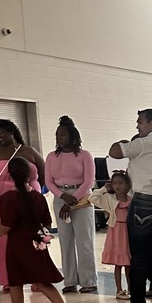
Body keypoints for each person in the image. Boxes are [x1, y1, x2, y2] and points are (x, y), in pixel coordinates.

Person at [0, 158, 77, 303]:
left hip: (17, 245)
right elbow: (47, 221)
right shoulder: (38, 197)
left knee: (15, 283)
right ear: (30, 175)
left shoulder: (8, 198)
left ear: (11, 175)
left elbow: (6, 226)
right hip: (37, 242)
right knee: (42, 281)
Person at [109, 109, 152, 303]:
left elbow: (114, 151)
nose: (138, 126)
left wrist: (129, 141)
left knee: (139, 257)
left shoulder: (142, 143)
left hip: (143, 205)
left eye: (140, 122)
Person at [0, 119, 46, 289]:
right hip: (1, 197)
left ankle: (39, 277)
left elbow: (43, 174)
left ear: (12, 131)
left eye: (2, 132)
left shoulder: (29, 151)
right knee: (4, 236)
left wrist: (36, 193)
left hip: (29, 195)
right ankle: (8, 279)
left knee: (32, 234)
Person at [46, 115, 98, 293]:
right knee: (65, 241)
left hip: (81, 198)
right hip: (61, 198)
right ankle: (70, 280)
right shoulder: (52, 156)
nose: (59, 138)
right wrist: (62, 196)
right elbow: (49, 181)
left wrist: (72, 199)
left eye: (63, 135)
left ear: (73, 136)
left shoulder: (85, 155)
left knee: (85, 241)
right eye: (57, 135)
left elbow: (89, 181)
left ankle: (88, 280)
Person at [78, 169, 132, 298]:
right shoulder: (109, 199)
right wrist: (104, 188)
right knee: (118, 263)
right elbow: (92, 197)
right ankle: (119, 289)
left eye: (121, 183)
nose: (117, 186)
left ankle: (131, 288)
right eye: (114, 183)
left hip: (128, 232)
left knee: (128, 263)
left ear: (127, 185)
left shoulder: (131, 200)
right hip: (116, 232)